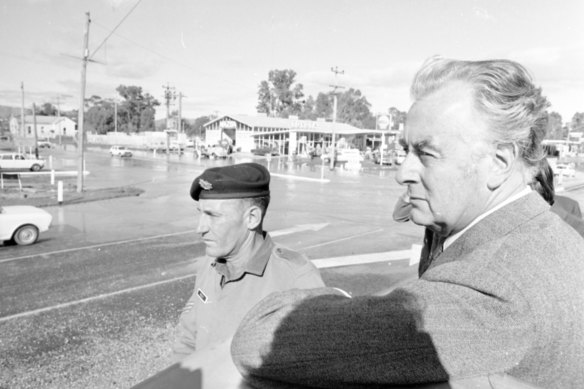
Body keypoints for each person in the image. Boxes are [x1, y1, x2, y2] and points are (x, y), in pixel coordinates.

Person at [230, 58, 584, 388]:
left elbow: (259, 340)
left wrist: (340, 298)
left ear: (499, 161)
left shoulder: (492, 288)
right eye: (405, 151)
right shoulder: (549, 236)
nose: (402, 173)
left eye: (426, 153)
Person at [172, 162, 324, 361]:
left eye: (212, 215)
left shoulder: (296, 281)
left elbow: (315, 365)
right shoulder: (210, 264)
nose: (199, 227)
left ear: (252, 218)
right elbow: (188, 337)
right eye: (199, 213)